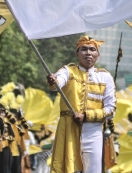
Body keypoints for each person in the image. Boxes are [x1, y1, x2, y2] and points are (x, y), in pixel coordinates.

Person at [46, 35, 116, 173]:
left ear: (98, 55)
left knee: (93, 170)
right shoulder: (68, 70)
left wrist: (86, 116)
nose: (88, 53)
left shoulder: (105, 76)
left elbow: (111, 109)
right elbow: (58, 81)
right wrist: (53, 81)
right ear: (76, 54)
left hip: (94, 131)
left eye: (92, 49)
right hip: (69, 129)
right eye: (84, 49)